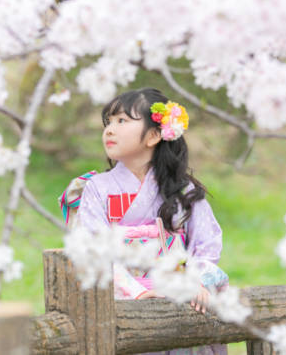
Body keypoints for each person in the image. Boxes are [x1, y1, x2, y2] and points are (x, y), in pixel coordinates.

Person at [60, 87, 228, 355]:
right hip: (121, 301)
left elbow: (206, 246)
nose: (110, 130)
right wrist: (134, 291)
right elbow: (92, 249)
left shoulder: (182, 191)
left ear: (153, 135)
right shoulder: (96, 188)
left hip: (180, 296)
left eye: (122, 121)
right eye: (109, 122)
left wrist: (192, 282)